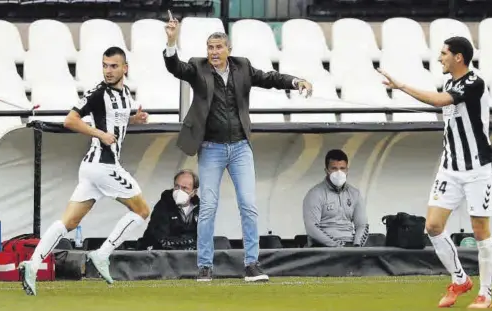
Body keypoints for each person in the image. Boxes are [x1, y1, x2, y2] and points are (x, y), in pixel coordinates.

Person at [163, 12, 313, 282]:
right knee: (208, 207)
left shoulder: (242, 66)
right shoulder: (198, 67)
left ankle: (252, 264)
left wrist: (295, 81)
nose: (214, 52)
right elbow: (176, 69)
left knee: (248, 205)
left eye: (219, 47)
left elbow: (269, 78)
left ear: (229, 50)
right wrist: (172, 41)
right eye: (210, 48)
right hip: (211, 148)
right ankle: (205, 266)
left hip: (241, 147)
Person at [19, 47, 151, 296]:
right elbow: (71, 120)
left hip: (92, 169)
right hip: (103, 166)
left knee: (68, 222)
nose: (108, 71)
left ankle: (32, 265)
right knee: (142, 210)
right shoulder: (98, 93)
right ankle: (102, 254)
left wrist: (135, 119)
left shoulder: (125, 95)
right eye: (105, 65)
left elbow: (117, 120)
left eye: (113, 66)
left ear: (125, 68)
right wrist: (100, 134)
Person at [378, 36, 492, 309]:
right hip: (450, 167)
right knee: (432, 226)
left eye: (444, 53)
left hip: (477, 167)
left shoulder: (473, 82)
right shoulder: (450, 81)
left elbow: (439, 101)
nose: (439, 57)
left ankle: (485, 295)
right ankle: (460, 279)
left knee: (480, 231)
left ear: (458, 57)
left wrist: (402, 86)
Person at [303, 149, 369, 248]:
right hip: (322, 248)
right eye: (334, 168)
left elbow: (362, 225)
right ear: (326, 171)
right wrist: (337, 246)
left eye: (342, 168)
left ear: (347, 170)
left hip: (350, 245)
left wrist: (357, 246)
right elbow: (311, 228)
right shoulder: (315, 194)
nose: (339, 172)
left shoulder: (355, 194)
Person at [137, 169, 200, 250]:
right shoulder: (163, 206)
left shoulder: (200, 209)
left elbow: (203, 238)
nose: (179, 191)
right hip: (162, 257)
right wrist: (190, 241)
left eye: (184, 188)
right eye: (177, 186)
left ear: (194, 192)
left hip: (189, 257)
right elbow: (161, 239)